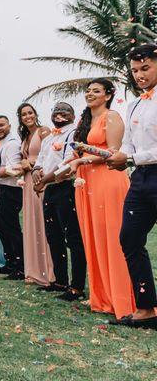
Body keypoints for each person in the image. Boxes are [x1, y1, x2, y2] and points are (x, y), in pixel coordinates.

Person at [60, 78, 134, 320]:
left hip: (107, 180)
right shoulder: (84, 120)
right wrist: (74, 160)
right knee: (92, 236)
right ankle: (101, 295)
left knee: (112, 238)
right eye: (88, 91)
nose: (90, 94)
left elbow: (113, 154)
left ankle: (121, 297)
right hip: (86, 182)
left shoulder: (111, 117)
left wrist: (82, 158)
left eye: (96, 91)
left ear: (108, 95)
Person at [106, 43, 157, 329]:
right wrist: (120, 156)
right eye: (135, 70)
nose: (139, 75)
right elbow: (128, 142)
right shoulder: (136, 103)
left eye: (145, 68)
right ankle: (146, 307)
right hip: (140, 178)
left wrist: (132, 157)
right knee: (130, 238)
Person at [32, 102, 87, 301]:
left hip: (66, 187)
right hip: (50, 189)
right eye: (56, 112)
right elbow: (40, 160)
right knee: (53, 235)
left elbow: (66, 164)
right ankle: (60, 280)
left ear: (72, 115)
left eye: (64, 112)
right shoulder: (49, 137)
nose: (60, 115)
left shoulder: (74, 133)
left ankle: (77, 286)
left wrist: (44, 180)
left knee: (72, 237)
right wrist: (36, 173)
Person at [17, 103, 55, 287]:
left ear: (35, 114)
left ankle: (48, 272)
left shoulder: (44, 131)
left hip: (40, 178)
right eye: (23, 114)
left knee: (42, 220)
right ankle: (33, 270)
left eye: (30, 113)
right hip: (26, 181)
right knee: (31, 222)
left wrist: (31, 163)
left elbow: (50, 154)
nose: (27, 116)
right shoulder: (25, 136)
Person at [0, 115, 24, 279]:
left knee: (11, 229)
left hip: (10, 190)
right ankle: (9, 263)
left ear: (9, 125)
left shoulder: (12, 144)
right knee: (0, 228)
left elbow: (13, 168)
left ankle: (20, 266)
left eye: (1, 125)